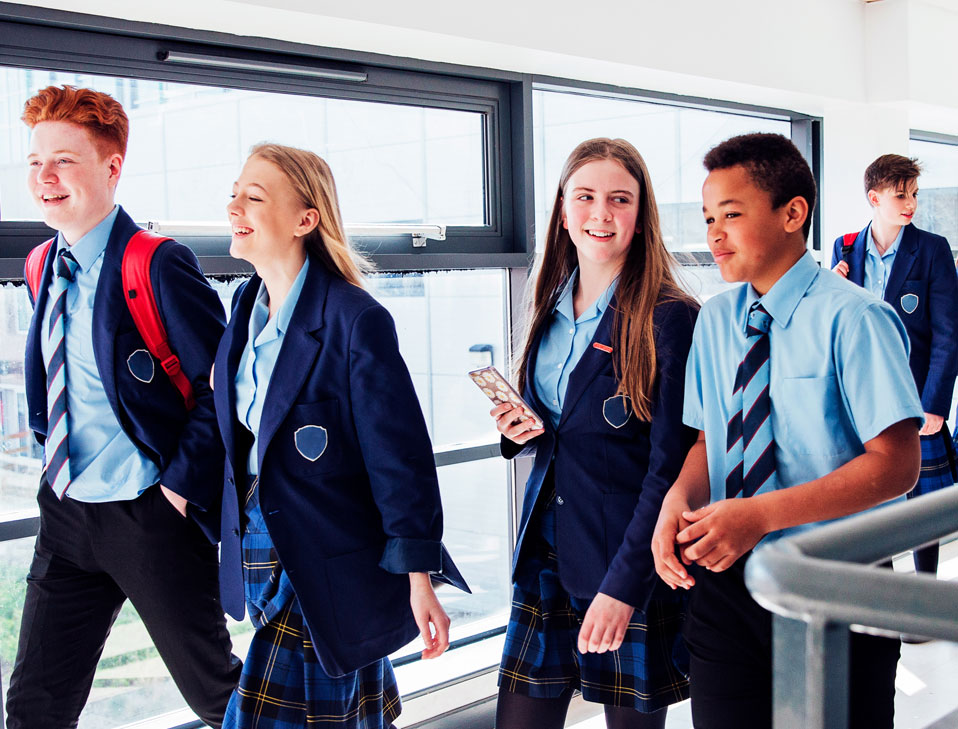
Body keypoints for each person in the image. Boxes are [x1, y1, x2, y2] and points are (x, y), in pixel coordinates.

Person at [652, 132, 924, 729]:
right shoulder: (716, 320)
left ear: (792, 213)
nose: (714, 234)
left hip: (837, 580)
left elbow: (897, 465)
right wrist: (679, 498)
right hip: (725, 584)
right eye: (707, 218)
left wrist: (763, 514)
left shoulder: (856, 319)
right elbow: (707, 443)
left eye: (731, 215)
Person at [7, 85, 240, 728]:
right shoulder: (38, 265)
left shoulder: (158, 265)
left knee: (217, 695)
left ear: (111, 168)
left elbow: (221, 388)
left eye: (64, 160)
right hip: (67, 514)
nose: (44, 178)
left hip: (149, 516)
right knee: (33, 706)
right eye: (34, 162)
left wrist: (176, 491)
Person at [214, 143, 469, 729]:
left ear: (307, 220)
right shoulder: (245, 305)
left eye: (253, 197)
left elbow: (398, 461)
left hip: (326, 561)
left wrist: (419, 577)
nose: (234, 208)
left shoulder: (356, 320)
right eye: (234, 194)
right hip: (261, 551)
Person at [491, 138, 697, 729]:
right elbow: (558, 430)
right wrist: (520, 429)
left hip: (622, 559)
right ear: (562, 210)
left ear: (641, 214)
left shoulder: (668, 316)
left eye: (619, 199)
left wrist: (624, 588)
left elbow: (669, 471)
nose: (600, 214)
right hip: (546, 553)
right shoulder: (548, 303)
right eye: (585, 197)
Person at [831, 154, 958, 581]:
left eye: (914, 195)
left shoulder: (932, 249)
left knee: (922, 500)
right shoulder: (845, 247)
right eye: (900, 195)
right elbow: (840, 323)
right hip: (862, 391)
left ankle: (922, 592)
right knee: (868, 492)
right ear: (874, 197)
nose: (910, 204)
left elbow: (948, 334)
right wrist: (835, 287)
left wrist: (935, 404)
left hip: (915, 392)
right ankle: (880, 590)